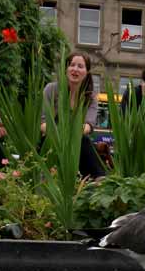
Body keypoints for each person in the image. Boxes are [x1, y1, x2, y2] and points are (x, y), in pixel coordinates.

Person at [42, 51, 105, 180]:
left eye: (80, 66)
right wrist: (61, 135)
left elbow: (88, 126)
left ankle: (100, 180)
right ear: (66, 69)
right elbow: (42, 123)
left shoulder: (91, 97)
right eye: (72, 65)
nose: (75, 69)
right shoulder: (51, 89)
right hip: (50, 139)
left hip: (77, 141)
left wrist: (72, 134)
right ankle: (98, 177)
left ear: (87, 72)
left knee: (84, 141)